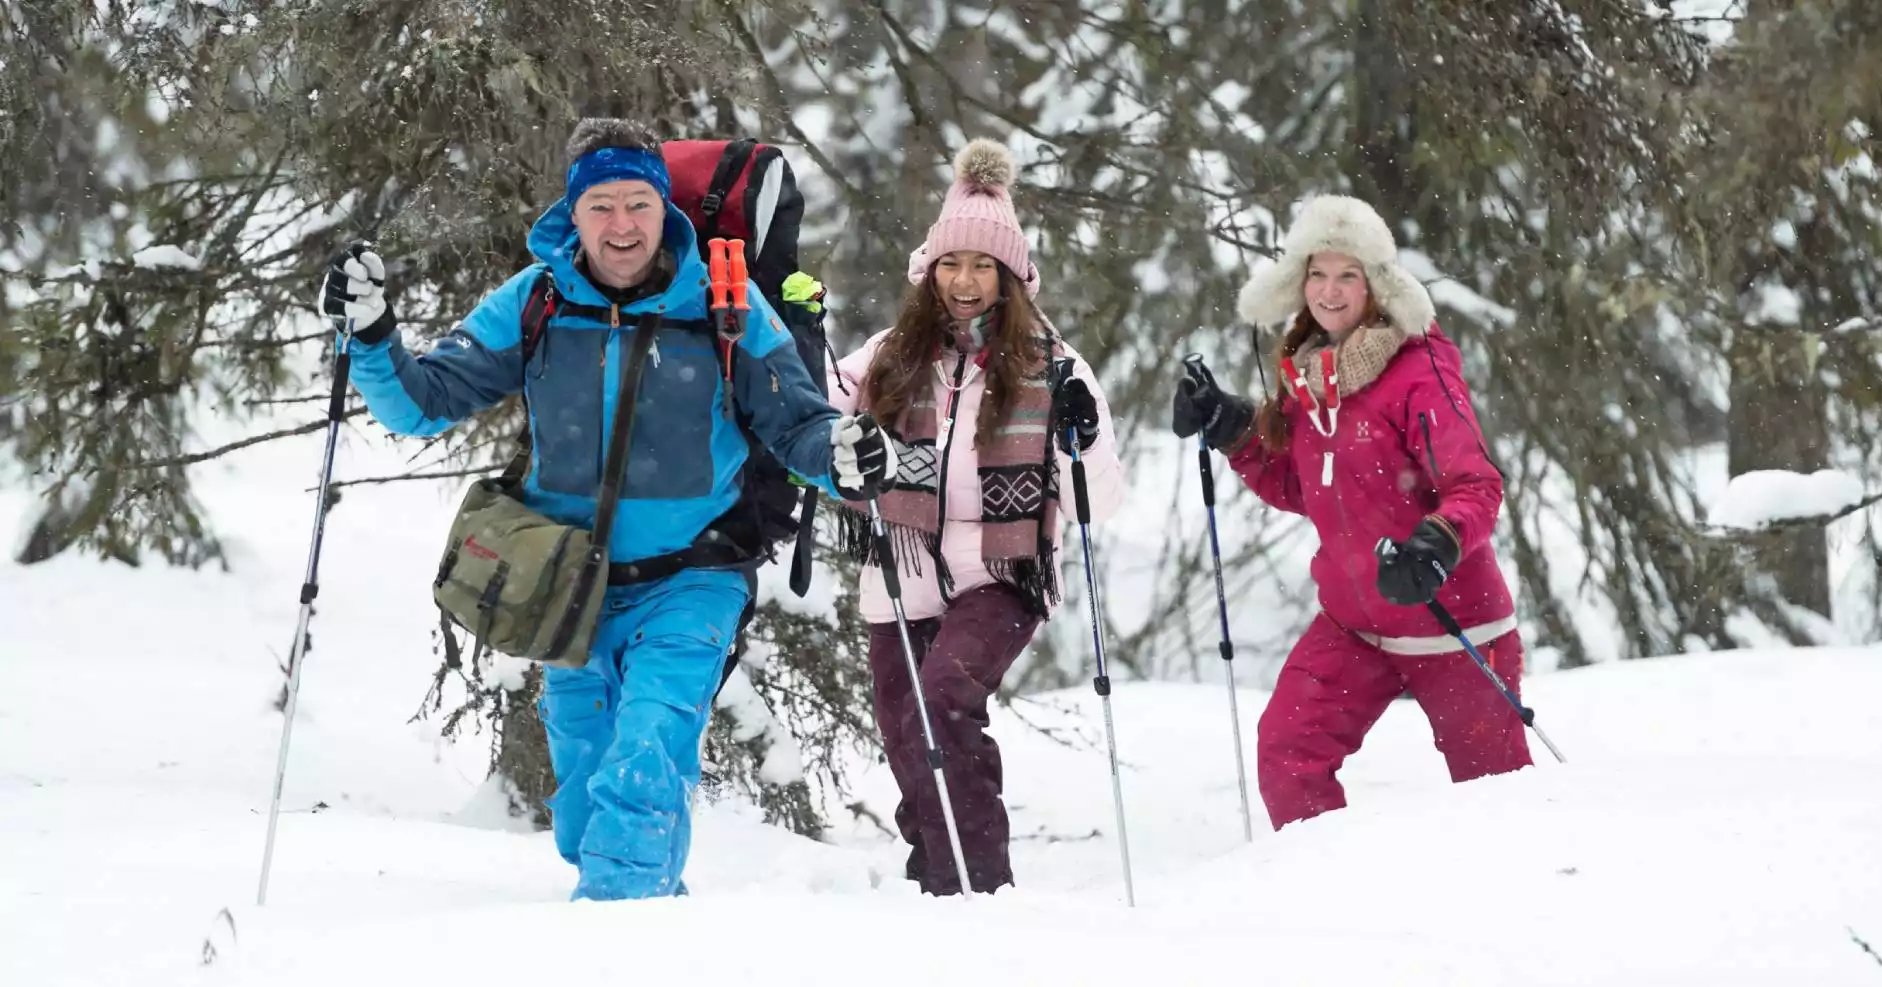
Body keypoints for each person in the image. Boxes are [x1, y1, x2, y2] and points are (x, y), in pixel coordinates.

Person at [316, 117, 893, 901]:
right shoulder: (537, 302)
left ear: (665, 210)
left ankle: (617, 944)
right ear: (573, 213)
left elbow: (796, 424)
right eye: (600, 207)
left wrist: (846, 460)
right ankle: (642, 932)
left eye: (637, 205)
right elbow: (425, 402)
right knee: (587, 811)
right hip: (571, 587)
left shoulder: (725, 300)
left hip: (696, 574)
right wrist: (375, 334)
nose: (621, 227)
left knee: (647, 758)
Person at [1171, 193, 1531, 830]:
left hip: (1455, 627)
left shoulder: (1420, 371)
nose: (1329, 291)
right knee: (1288, 752)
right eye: (1317, 273)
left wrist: (1436, 545)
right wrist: (1233, 429)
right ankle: (1328, 894)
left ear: (1376, 285)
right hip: (1354, 626)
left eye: (1348, 275)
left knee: (1499, 803)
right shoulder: (1308, 377)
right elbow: (1299, 486)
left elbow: (1476, 485)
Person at [828, 138, 1125, 895]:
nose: (964, 281)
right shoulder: (891, 355)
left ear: (1010, 277)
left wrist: (1081, 437)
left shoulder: (1054, 366)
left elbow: (1102, 497)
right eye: (951, 265)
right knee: (904, 732)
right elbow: (820, 425)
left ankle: (978, 884)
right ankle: (934, 871)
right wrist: (798, 347)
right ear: (929, 274)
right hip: (901, 563)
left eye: (982, 266)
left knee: (945, 703)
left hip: (1002, 570)